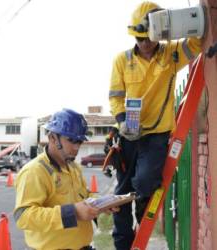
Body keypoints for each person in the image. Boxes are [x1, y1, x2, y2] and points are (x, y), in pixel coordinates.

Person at [108, 1, 202, 249]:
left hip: (157, 136)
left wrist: (173, 26)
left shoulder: (171, 54)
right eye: (138, 38)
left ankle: (143, 216)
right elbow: (116, 97)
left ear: (158, 33)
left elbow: (197, 43)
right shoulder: (122, 61)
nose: (143, 43)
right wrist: (120, 121)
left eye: (147, 37)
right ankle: (123, 242)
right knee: (122, 192)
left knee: (144, 182)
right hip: (129, 134)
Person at [14, 109, 113, 250]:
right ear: (52, 138)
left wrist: (102, 202)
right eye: (71, 140)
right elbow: (23, 217)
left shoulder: (73, 167)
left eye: (79, 141)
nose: (76, 147)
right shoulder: (35, 171)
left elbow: (84, 196)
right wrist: (73, 212)